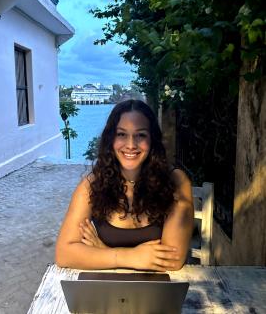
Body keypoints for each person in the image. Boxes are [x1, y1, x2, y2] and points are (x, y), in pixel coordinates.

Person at [55, 99, 194, 271]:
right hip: (106, 289)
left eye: (141, 135)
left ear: (152, 140)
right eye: (121, 134)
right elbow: (64, 254)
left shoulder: (176, 181)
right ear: (111, 139)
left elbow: (172, 261)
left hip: (156, 290)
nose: (130, 145)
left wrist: (102, 251)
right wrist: (129, 256)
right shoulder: (93, 185)